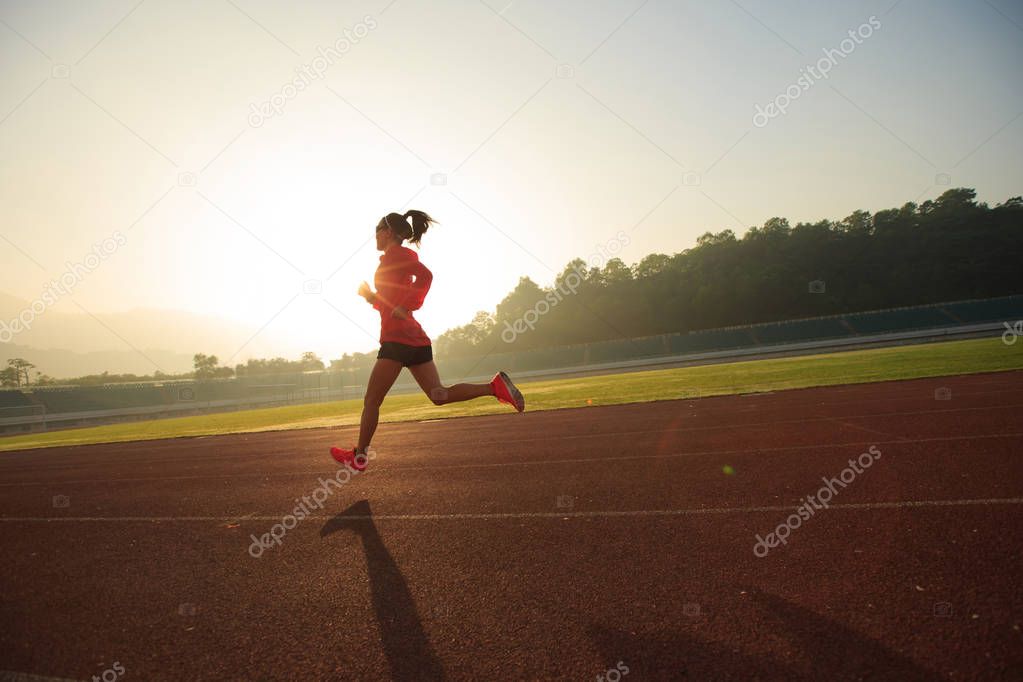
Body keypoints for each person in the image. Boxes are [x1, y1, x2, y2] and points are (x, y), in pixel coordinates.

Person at [330, 210, 524, 470]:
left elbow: (426, 277)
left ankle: (360, 456)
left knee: (372, 401)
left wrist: (408, 303)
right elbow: (390, 304)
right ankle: (494, 387)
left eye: (376, 231)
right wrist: (370, 297)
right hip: (414, 339)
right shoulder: (391, 260)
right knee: (439, 395)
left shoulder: (397, 256)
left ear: (387, 232)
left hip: (397, 340)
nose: (374, 237)